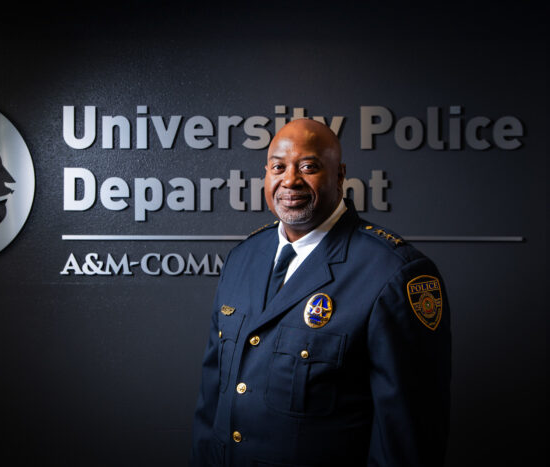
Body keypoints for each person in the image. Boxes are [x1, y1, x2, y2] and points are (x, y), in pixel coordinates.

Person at [190, 119, 451, 466]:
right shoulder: (242, 258)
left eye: (309, 167)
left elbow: (407, 436)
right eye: (278, 167)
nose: (290, 180)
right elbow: (213, 401)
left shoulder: (394, 273)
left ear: (340, 174)